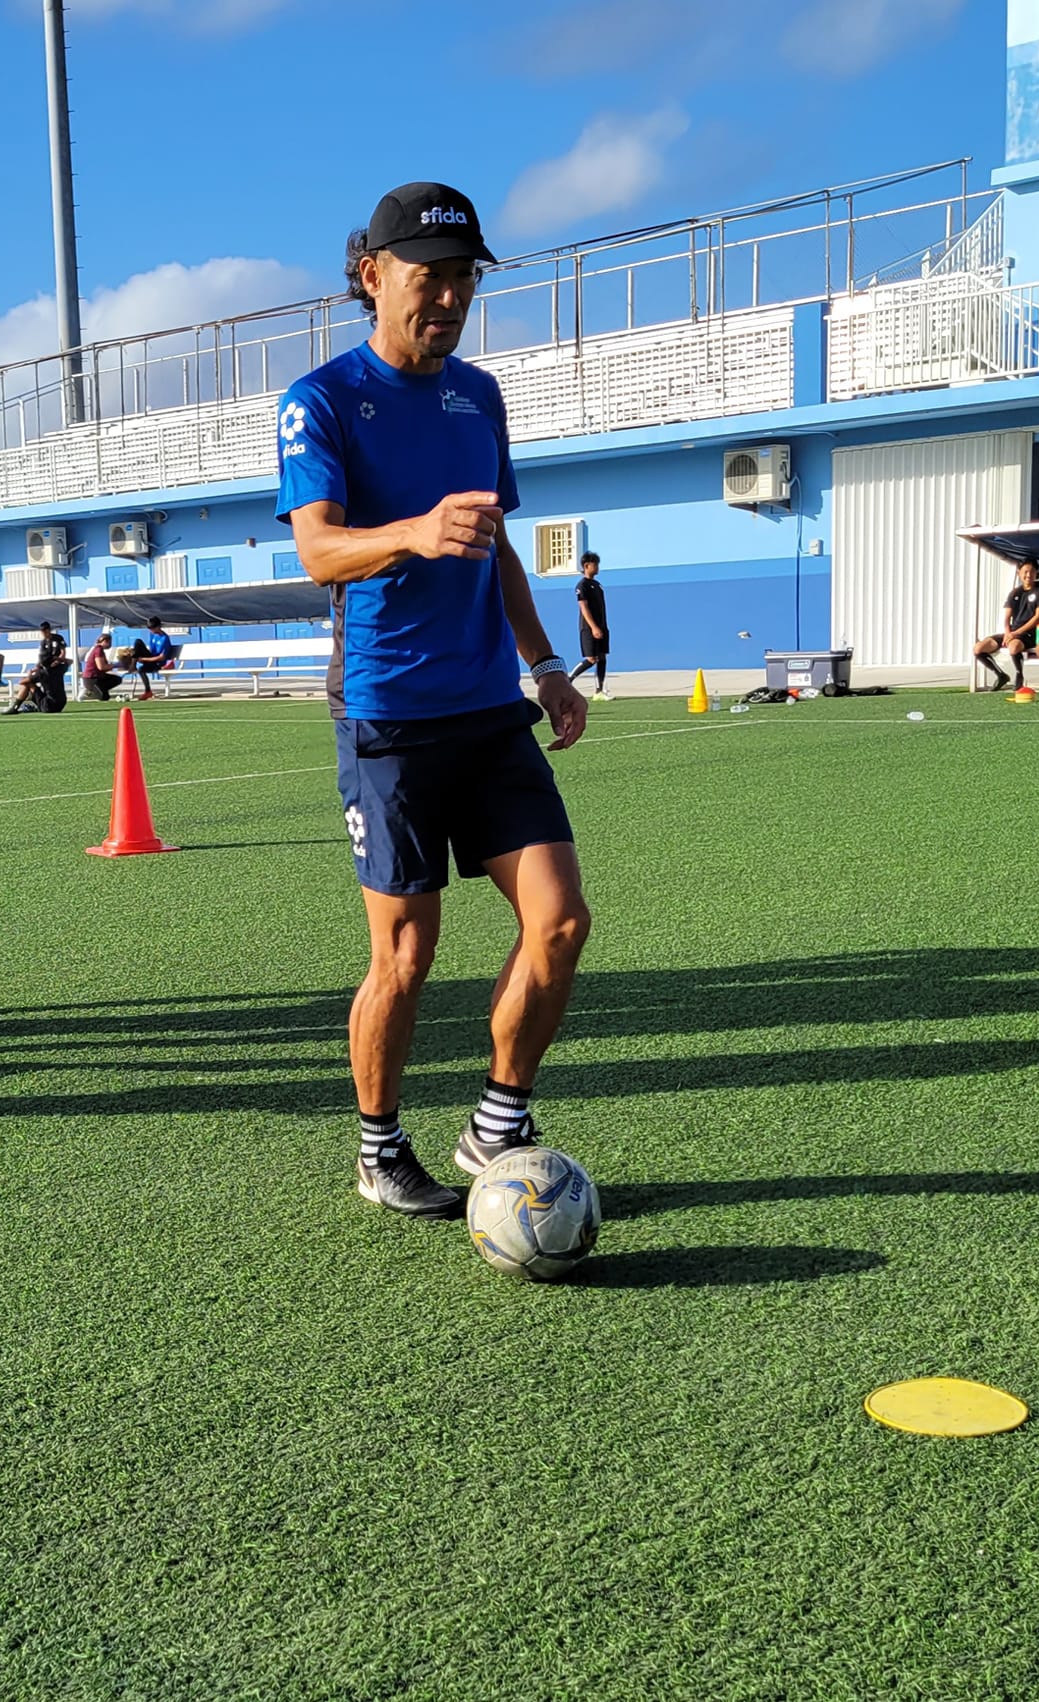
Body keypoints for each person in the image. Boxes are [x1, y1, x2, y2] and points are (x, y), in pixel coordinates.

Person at [277, 181, 590, 1220]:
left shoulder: (480, 398)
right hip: (387, 715)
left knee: (559, 924)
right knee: (405, 956)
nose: (447, 298)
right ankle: (378, 1146)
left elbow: (493, 541)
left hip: (486, 707)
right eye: (428, 277)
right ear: (371, 275)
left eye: (462, 279)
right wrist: (410, 531)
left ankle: (497, 1119)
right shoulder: (319, 400)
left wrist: (543, 664)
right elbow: (318, 546)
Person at [974, 561, 1039, 691]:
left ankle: (1019, 676)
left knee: (1013, 647)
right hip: (1012, 633)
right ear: (1019, 573)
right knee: (978, 648)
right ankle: (1000, 675)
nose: (1028, 575)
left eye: (1032, 572)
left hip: (1030, 634)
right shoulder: (1014, 593)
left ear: (1036, 574)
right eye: (1025, 572)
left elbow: (1038, 618)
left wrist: (1015, 634)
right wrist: (1008, 632)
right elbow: (1007, 616)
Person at [0, 622, 69, 712]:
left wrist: (30, 675)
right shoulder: (61, 668)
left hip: (48, 706)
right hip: (61, 703)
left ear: (48, 630)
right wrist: (60, 661)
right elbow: (68, 661)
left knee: (28, 683)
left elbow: (22, 682)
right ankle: (33, 704)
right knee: (49, 685)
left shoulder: (57, 639)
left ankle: (15, 707)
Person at [569, 552, 610, 700]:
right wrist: (593, 627)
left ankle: (599, 691)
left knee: (602, 657)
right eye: (595, 564)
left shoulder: (598, 585)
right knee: (592, 658)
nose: (597, 567)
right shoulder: (582, 586)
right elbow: (583, 607)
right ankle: (569, 680)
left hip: (602, 625)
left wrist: (602, 626)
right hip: (589, 628)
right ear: (586, 566)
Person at [128, 617, 176, 699]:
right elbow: (151, 650)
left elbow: (161, 657)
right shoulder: (152, 634)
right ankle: (133, 665)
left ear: (158, 626)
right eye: (149, 628)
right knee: (138, 642)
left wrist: (144, 659)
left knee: (141, 670)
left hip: (158, 663)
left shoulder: (165, 638)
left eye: (152, 628)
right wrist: (138, 654)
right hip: (151, 658)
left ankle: (148, 691)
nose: (151, 630)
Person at [81, 628, 121, 701]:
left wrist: (111, 666)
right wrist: (117, 665)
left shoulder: (100, 650)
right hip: (91, 679)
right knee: (104, 697)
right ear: (105, 641)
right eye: (109, 642)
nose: (111, 644)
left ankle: (98, 690)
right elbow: (101, 667)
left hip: (99, 677)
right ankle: (90, 693)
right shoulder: (98, 650)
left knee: (116, 679)